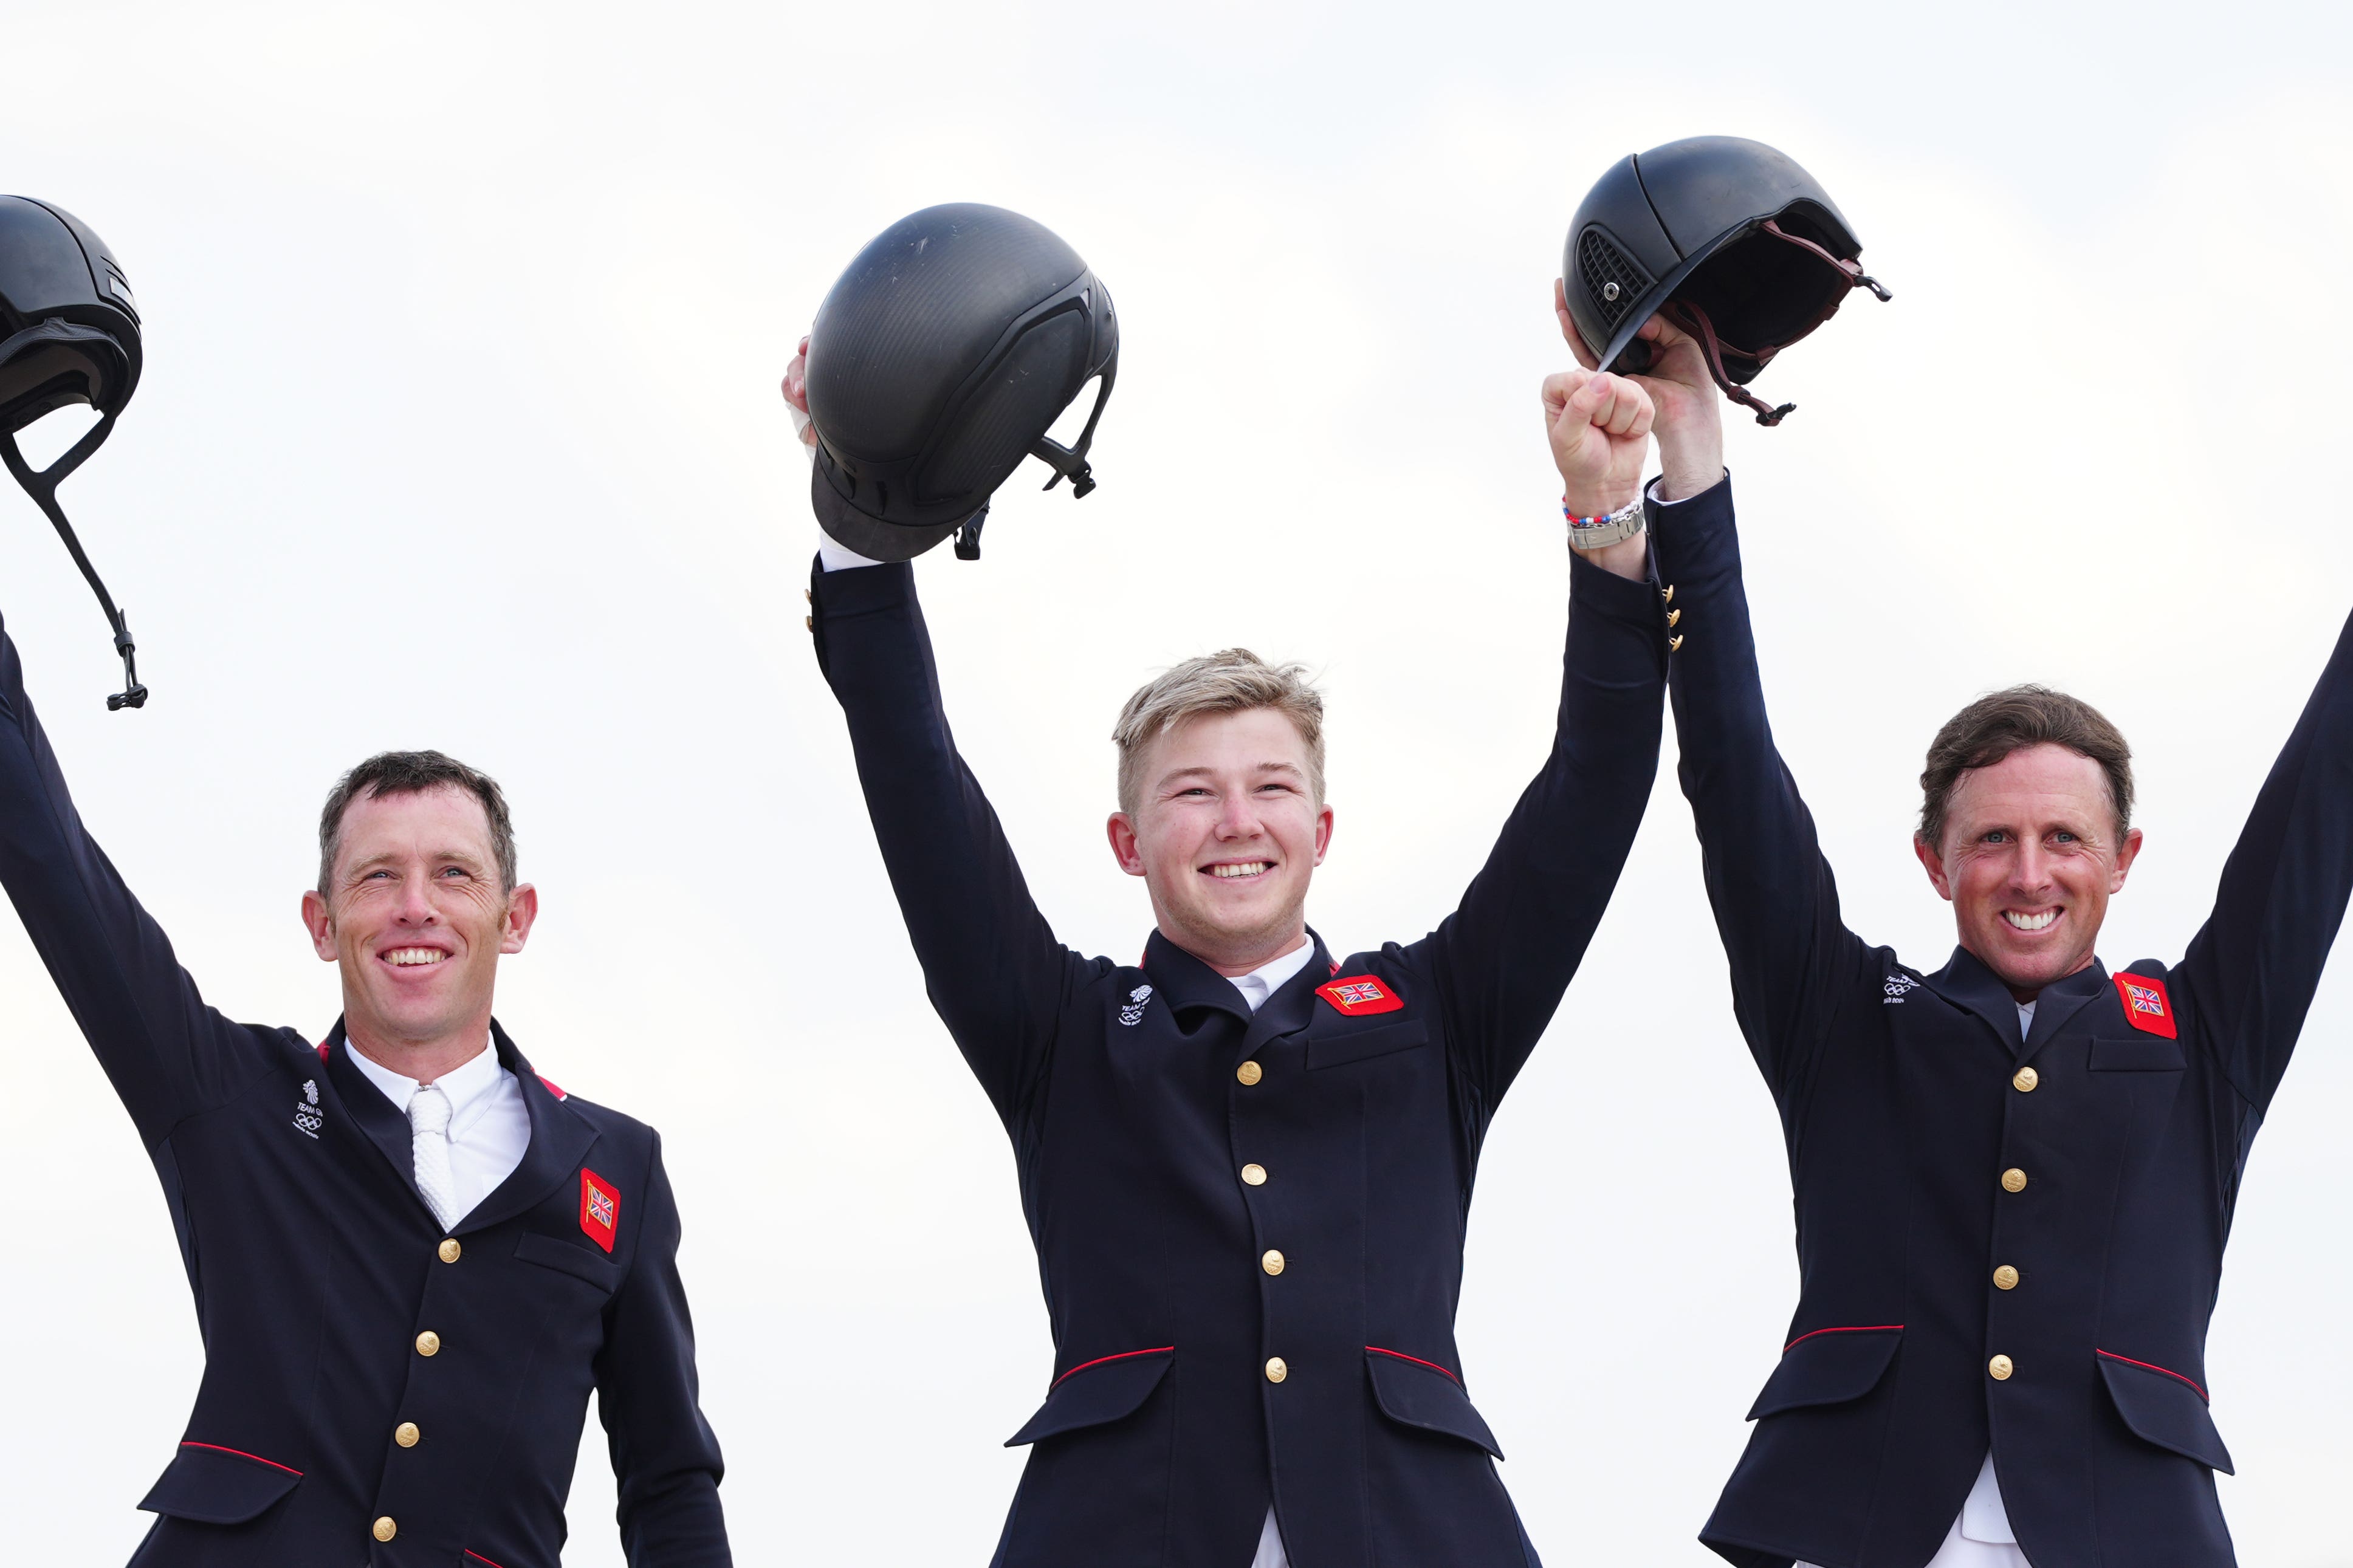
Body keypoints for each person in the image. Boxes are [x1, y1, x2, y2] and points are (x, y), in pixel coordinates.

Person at [784, 329, 1671, 1565]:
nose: (1237, 821)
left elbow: (1594, 789)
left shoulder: (1439, 1015)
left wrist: (1606, 522)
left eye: (1268, 787)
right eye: (1192, 792)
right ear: (1126, 839)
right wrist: (859, 518)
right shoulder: (1059, 1035)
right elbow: (915, 775)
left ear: (1320, 827)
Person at [1572, 296, 2353, 1567]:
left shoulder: (2199, 1040)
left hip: (2126, 1533)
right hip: (1855, 1524)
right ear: (1934, 862)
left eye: (2062, 840)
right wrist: (1692, 458)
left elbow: (2324, 801)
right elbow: (1730, 770)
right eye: (1991, 838)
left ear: (2121, 862)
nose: (2027, 871)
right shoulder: (1841, 1020)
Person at [0, 628, 731, 1564]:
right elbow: (57, 871)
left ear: (515, 920)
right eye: (377, 875)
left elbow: (668, 1481)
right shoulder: (231, 1097)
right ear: (322, 922)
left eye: (453, 874)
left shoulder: (618, 1167)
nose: (414, 906)